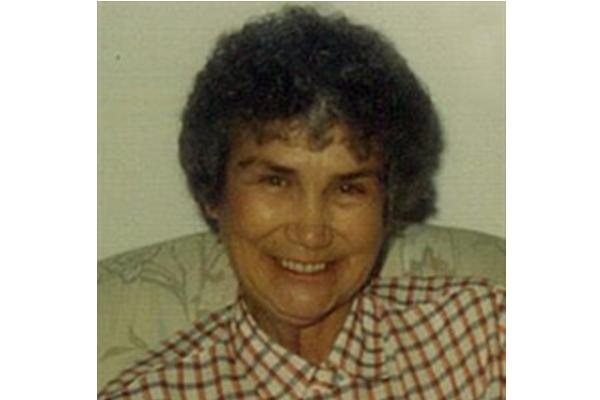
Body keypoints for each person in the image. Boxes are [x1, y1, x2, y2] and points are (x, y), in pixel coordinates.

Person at [99, 6, 505, 399]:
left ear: (388, 205)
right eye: (276, 182)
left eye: (348, 188)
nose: (311, 232)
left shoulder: (487, 338)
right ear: (213, 194)